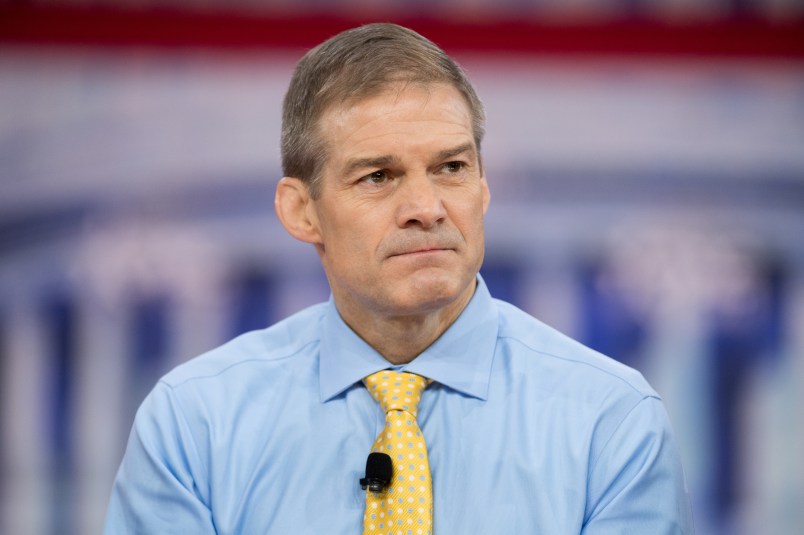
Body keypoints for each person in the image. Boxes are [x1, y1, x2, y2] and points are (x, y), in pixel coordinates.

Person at [104, 23, 693, 534]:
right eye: (379, 176)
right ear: (301, 211)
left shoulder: (611, 422)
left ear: (484, 188)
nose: (427, 207)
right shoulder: (195, 422)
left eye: (452, 168)